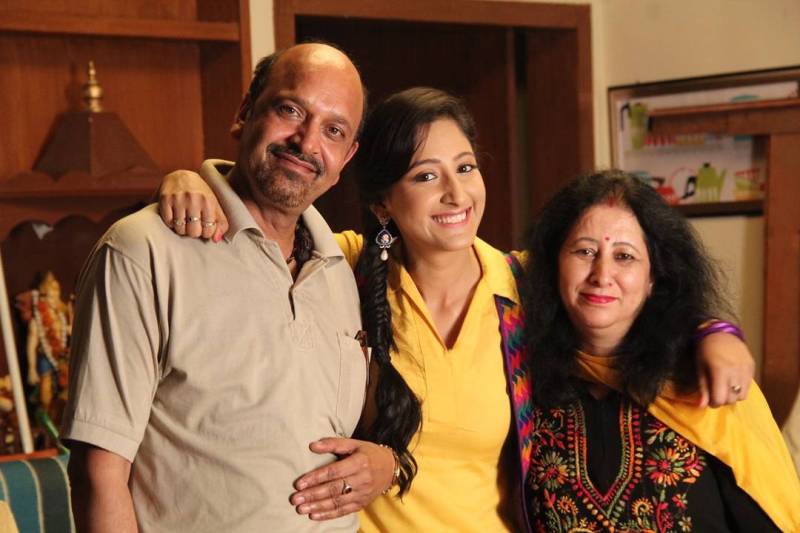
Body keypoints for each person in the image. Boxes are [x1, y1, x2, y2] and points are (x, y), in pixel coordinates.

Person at [158, 88, 757, 531]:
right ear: (384, 204)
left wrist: (716, 330)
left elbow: (620, 308)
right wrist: (190, 178)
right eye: (426, 175)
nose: (456, 194)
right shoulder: (342, 269)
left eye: (465, 168)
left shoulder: (525, 286)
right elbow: (263, 218)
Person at [60, 43, 395, 532]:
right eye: (290, 110)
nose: (306, 141)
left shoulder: (341, 272)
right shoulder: (143, 250)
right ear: (245, 112)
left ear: (346, 158)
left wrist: (383, 462)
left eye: (333, 130)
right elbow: (98, 471)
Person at [521, 170, 800, 531]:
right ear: (553, 264)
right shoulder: (522, 383)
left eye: (625, 256)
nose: (602, 274)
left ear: (654, 277)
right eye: (585, 251)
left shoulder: (705, 380)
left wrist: (717, 331)